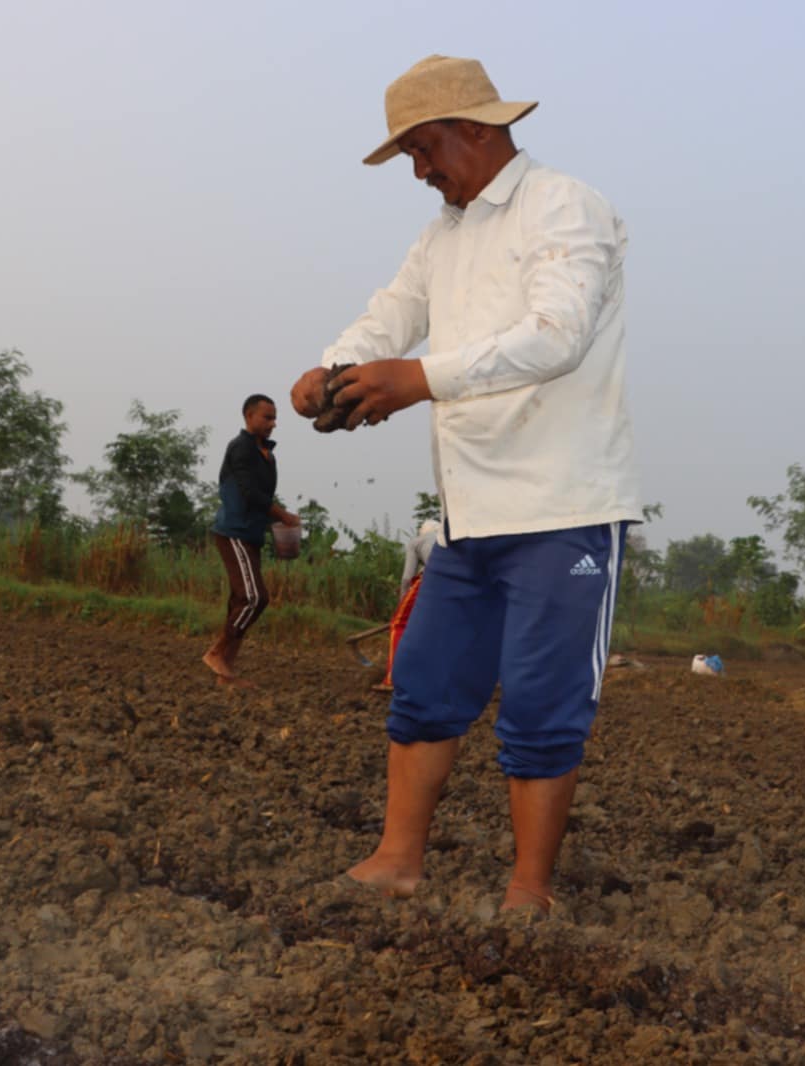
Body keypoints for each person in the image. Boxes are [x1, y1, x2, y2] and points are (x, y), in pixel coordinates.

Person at [289, 55, 641, 912]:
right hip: (467, 511)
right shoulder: (445, 233)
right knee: (427, 685)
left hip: (564, 508)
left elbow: (554, 336)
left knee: (542, 704)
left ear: (476, 131)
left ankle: (530, 890)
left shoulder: (563, 206)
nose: (419, 171)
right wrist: (333, 367)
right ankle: (396, 859)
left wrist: (417, 380)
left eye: (423, 148)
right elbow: (392, 313)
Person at [202, 394, 299, 686]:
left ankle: (225, 670)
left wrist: (276, 523)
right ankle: (218, 652)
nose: (273, 423)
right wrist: (283, 515)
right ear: (248, 417)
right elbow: (250, 494)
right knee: (255, 597)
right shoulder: (240, 449)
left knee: (239, 600)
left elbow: (262, 500)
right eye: (266, 417)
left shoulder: (266, 455)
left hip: (251, 533)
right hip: (234, 532)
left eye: (274, 418)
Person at [372, 519, 441, 693]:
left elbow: (406, 578)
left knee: (398, 624)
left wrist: (402, 606)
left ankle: (393, 679)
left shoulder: (416, 542)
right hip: (461, 582)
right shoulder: (448, 538)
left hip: (433, 577)